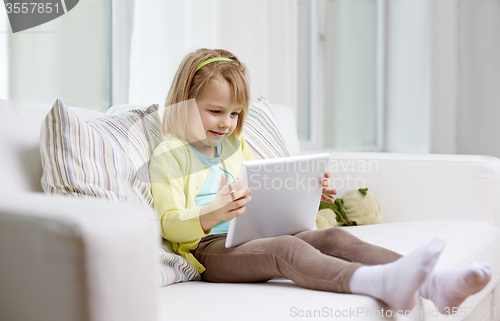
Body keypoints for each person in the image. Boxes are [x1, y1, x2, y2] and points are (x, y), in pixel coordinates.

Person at [149, 48, 491, 312]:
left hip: (252, 235)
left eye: (235, 113)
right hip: (210, 251)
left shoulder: (235, 147)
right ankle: (374, 282)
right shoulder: (172, 152)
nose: (226, 123)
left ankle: (435, 283)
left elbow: (264, 195)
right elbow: (168, 225)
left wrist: (312, 195)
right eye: (215, 111)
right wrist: (213, 213)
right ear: (185, 102)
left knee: (331, 236)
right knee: (286, 249)